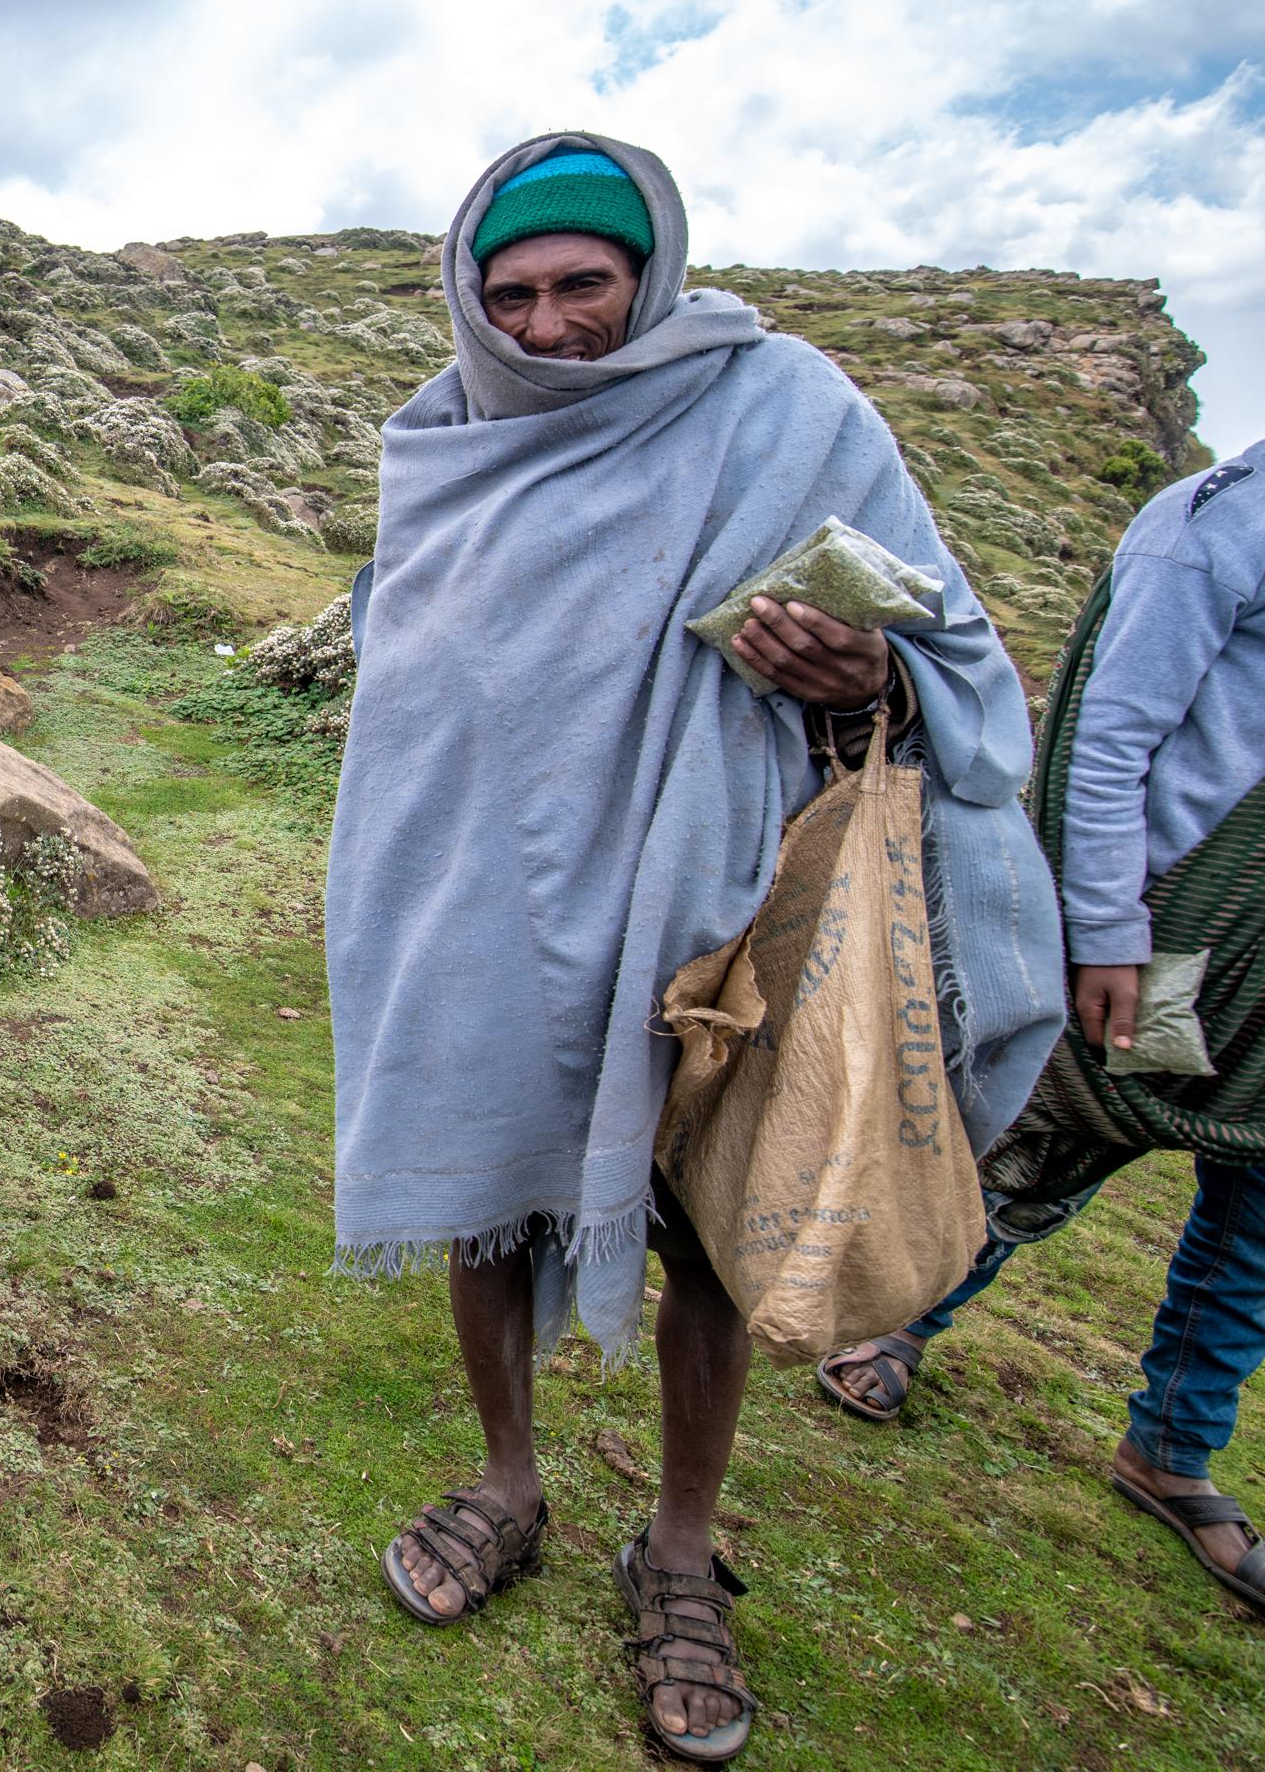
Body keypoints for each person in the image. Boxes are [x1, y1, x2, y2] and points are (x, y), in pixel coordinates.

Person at [326, 135, 1063, 1761]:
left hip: (711, 913)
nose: (545, 322)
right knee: (483, 1197)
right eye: (506, 291)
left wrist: (860, 679)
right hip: (488, 901)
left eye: (581, 282)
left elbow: (959, 662)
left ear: (645, 270)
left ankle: (678, 1549)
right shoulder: (448, 436)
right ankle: (507, 1479)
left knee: (716, 1234)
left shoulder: (788, 408)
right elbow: (405, 644)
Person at [817, 446, 1262, 1614]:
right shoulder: (1218, 527)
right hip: (1182, 932)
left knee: (1256, 1213)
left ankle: (1174, 1444)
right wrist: (1105, 924)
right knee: (1051, 1133)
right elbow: (1110, 731)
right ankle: (908, 1317)